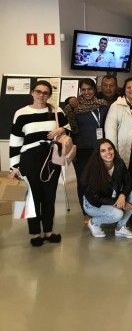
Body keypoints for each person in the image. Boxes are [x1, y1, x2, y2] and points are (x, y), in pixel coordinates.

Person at [9, 80, 70, 247]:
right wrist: (14, 166)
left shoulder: (56, 111)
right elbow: (15, 141)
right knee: (32, 197)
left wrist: (62, 129)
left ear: (49, 95)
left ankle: (48, 231)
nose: (41, 95)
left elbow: (69, 130)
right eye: (38, 91)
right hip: (29, 159)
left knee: (49, 196)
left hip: (52, 158)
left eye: (45, 92)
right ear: (32, 92)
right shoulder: (21, 113)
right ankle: (35, 233)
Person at [63, 78, 109, 222]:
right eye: (83, 89)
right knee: (83, 181)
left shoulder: (103, 105)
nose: (87, 92)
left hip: (99, 149)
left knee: (99, 180)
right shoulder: (73, 107)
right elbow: (67, 127)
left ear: (95, 90)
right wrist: (69, 100)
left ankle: (98, 208)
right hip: (81, 149)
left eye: (89, 89)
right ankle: (86, 211)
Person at [81, 139, 132, 239]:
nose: (108, 152)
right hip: (92, 204)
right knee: (117, 214)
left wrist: (122, 195)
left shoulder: (119, 163)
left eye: (110, 149)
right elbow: (96, 198)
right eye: (103, 151)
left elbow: (129, 182)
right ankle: (94, 222)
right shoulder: (94, 169)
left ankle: (120, 228)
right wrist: (120, 203)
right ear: (98, 154)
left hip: (111, 197)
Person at [105, 77, 132, 184]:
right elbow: (110, 131)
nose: (131, 90)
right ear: (124, 90)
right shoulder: (116, 106)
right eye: (128, 87)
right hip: (128, 152)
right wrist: (113, 152)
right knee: (129, 181)